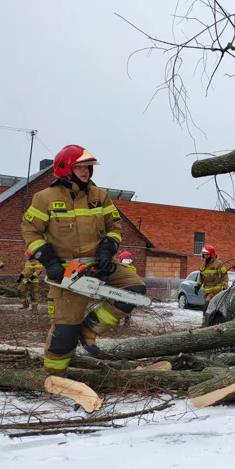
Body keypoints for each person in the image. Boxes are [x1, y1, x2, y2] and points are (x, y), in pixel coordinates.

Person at [22, 145, 147, 376]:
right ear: (65, 168)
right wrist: (50, 263)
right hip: (66, 270)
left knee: (135, 288)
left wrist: (107, 252)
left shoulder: (100, 196)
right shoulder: (45, 198)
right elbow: (30, 232)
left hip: (99, 263)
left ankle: (90, 328)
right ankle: (53, 378)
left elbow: (115, 227)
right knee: (64, 333)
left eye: (88, 167)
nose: (85, 171)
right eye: (79, 166)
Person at [194, 244, 228, 327]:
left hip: (216, 290)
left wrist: (225, 286)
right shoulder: (203, 265)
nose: (205, 256)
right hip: (206, 291)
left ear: (212, 254)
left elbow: (224, 275)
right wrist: (197, 286)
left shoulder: (218, 264)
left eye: (207, 254)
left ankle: (205, 325)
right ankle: (207, 324)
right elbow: (201, 277)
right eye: (204, 254)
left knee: (206, 306)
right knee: (207, 308)